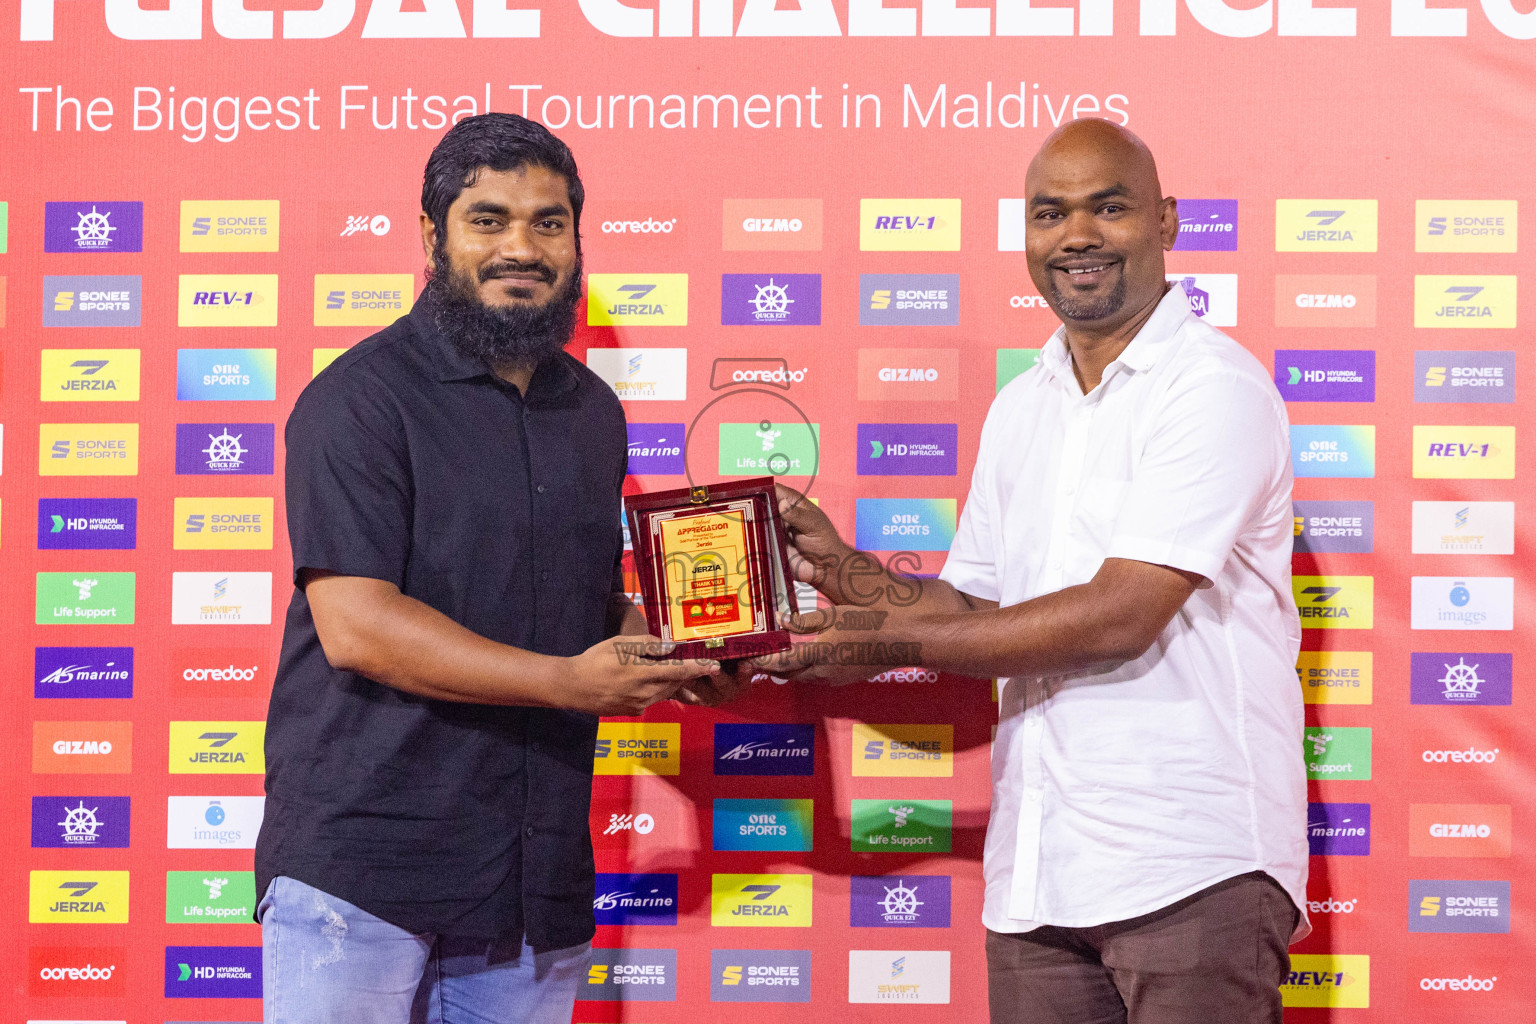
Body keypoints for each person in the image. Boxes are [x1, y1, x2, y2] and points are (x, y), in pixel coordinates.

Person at [758, 118, 1306, 1023]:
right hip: (1040, 878)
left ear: (1166, 221)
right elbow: (973, 602)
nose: (1077, 236)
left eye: (1109, 208)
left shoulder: (1213, 387)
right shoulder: (1023, 405)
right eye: (1050, 213)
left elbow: (1119, 613)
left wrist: (887, 636)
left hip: (1193, 865)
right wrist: (846, 574)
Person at [255, 113, 737, 1024]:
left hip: (533, 871)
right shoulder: (357, 402)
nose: (522, 246)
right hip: (366, 871)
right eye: (489, 219)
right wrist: (566, 683)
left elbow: (586, 604)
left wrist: (680, 652)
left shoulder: (592, 411)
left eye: (548, 223)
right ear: (432, 235)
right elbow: (356, 624)